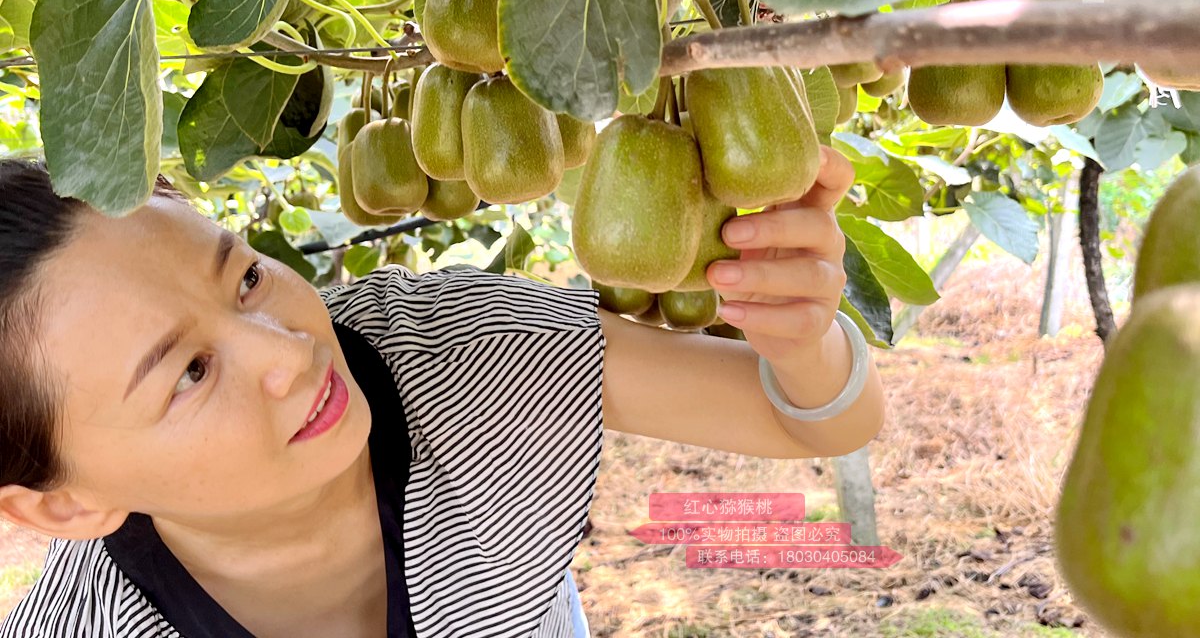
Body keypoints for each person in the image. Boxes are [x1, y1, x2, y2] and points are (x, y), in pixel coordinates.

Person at [0, 146, 884, 637]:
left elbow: (811, 421)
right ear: (63, 505)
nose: (291, 353)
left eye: (245, 281)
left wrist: (799, 337)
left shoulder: (468, 356)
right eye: (189, 373)